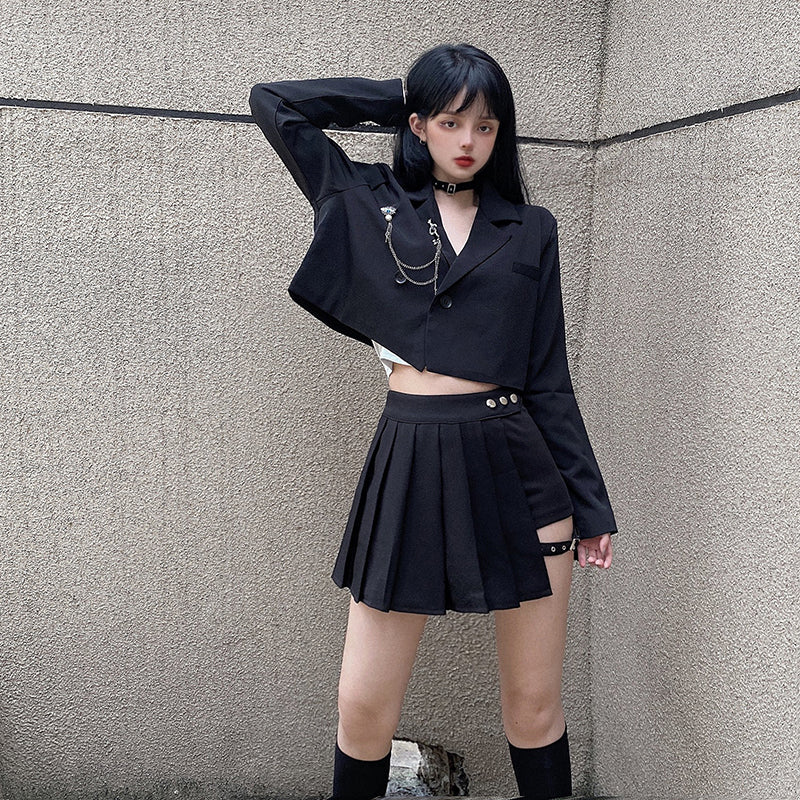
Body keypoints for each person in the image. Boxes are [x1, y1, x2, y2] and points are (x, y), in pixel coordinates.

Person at [249, 43, 617, 800]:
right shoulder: (367, 199)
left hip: (521, 466)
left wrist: (591, 505)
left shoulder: (531, 228)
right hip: (410, 457)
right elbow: (275, 103)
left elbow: (549, 378)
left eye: (485, 125)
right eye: (450, 122)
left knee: (533, 703)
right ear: (419, 126)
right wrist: (406, 96)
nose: (468, 141)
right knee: (362, 707)